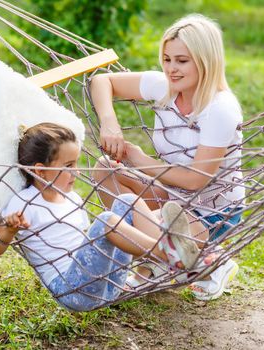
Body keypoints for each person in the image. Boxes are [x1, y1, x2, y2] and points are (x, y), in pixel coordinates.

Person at [89, 14, 244, 300]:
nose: (172, 69)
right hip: (171, 194)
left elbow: (196, 180)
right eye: (167, 59)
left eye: (182, 61)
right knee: (105, 169)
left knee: (149, 219)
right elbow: (102, 81)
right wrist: (109, 121)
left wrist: (139, 160)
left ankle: (209, 261)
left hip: (210, 212)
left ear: (205, 60)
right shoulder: (165, 87)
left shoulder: (220, 109)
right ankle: (160, 256)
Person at [0, 122, 205, 312]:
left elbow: (91, 248)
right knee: (105, 221)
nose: (77, 172)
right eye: (69, 166)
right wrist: (9, 229)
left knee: (127, 201)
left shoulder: (72, 199)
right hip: (72, 290)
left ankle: (167, 246)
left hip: (106, 283)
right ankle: (166, 254)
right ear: (40, 171)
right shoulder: (24, 203)